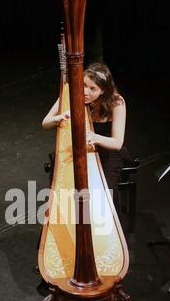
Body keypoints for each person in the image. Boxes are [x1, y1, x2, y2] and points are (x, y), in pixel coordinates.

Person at [42, 62, 126, 206]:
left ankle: (102, 224)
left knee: (100, 194)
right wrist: (59, 118)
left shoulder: (117, 103)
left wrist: (95, 138)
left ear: (103, 90)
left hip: (106, 152)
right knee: (64, 188)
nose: (86, 92)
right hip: (79, 148)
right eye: (84, 85)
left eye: (93, 89)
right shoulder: (72, 93)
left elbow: (117, 143)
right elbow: (45, 123)